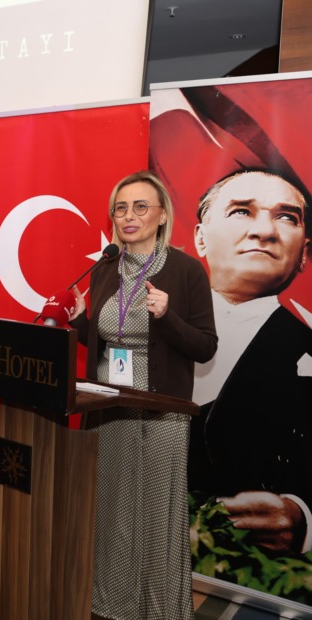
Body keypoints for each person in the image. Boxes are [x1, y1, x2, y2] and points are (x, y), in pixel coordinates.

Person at [68, 171, 217, 619]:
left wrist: (167, 315)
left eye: (140, 207)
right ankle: (112, 603)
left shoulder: (187, 270)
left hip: (161, 410)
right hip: (108, 407)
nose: (128, 216)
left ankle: (157, 608)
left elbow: (205, 347)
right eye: (120, 208)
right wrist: (79, 321)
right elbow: (104, 339)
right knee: (112, 509)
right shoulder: (105, 267)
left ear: (162, 215)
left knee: (153, 514)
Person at [190, 168, 312, 554]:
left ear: (304, 254)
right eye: (242, 211)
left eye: (286, 217)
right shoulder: (146, 328)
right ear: (200, 238)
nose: (264, 231)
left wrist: (303, 517)